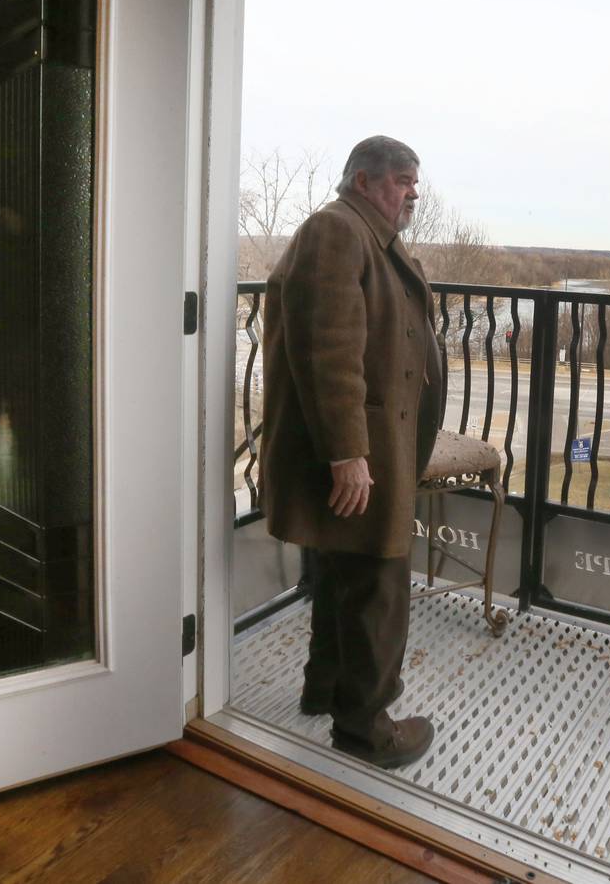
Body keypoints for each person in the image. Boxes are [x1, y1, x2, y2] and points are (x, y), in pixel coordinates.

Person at [259, 135, 443, 769]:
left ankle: (324, 690)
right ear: (363, 181)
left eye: (414, 183)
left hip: (371, 445)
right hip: (360, 451)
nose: (411, 193)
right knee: (376, 584)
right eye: (401, 182)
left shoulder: (364, 236)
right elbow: (328, 350)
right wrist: (348, 454)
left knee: (344, 573)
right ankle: (367, 730)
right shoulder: (338, 231)